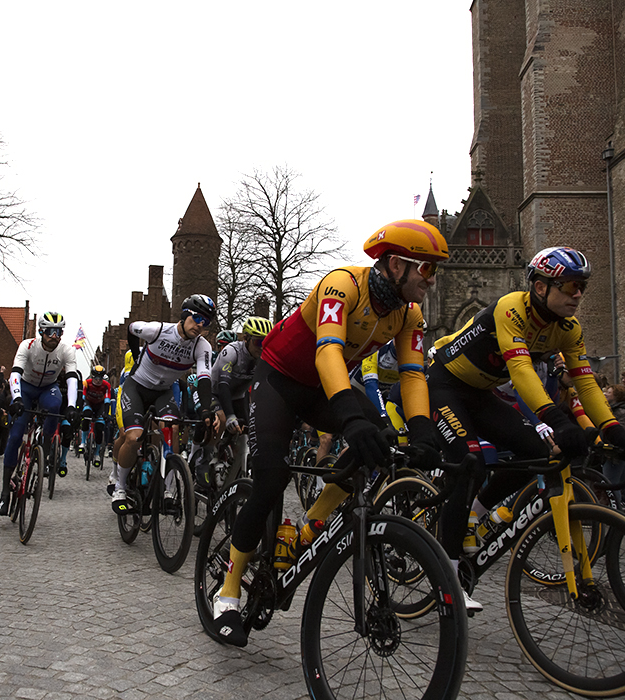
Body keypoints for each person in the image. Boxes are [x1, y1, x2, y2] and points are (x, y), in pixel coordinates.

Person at [211, 218, 448, 647]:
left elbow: (413, 376)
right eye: (427, 269)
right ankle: (228, 592)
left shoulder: (409, 314)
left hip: (325, 386)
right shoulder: (343, 286)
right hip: (280, 381)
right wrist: (350, 417)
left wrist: (422, 430)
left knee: (378, 443)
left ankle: (310, 527)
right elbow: (329, 351)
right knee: (270, 480)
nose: (432, 280)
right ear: (396, 265)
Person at [426, 246, 625, 609]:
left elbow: (587, 385)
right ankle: (447, 578)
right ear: (541, 287)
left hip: (482, 393)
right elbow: (520, 371)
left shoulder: (568, 329)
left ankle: (476, 514)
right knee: (469, 463)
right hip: (445, 384)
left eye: (583, 286)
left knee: (540, 452)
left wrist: (618, 436)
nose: (578, 294)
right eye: (570, 285)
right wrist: (558, 420)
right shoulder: (511, 308)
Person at [111, 294, 216, 513]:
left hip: (163, 392)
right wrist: (137, 353)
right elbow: (132, 328)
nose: (200, 325)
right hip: (137, 387)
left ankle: (168, 490)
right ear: (185, 314)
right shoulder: (157, 331)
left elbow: (204, 378)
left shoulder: (202, 347)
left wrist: (206, 410)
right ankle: (119, 487)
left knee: (172, 429)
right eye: (197, 319)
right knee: (133, 437)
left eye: (206, 323)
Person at [0, 312, 79, 515]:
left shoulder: (66, 350)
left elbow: (71, 378)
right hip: (25, 387)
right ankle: (5, 493)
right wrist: (16, 399)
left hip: (47, 388)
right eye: (50, 331)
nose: (55, 335)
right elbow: (15, 373)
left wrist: (72, 406)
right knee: (15, 437)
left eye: (59, 331)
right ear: (41, 331)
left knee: (54, 406)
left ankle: (46, 447)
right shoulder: (28, 346)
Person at [192, 317, 273, 490]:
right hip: (216, 391)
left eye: (266, 341)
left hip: (238, 396)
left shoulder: (264, 356)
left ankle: (234, 471)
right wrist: (229, 416)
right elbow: (223, 386)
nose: (262, 346)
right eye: (258, 341)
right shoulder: (232, 352)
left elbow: (265, 388)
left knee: (246, 433)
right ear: (246, 339)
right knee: (221, 419)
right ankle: (204, 460)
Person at [80, 365, 112, 467]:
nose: (98, 381)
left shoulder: (106, 385)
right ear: (92, 377)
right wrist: (79, 409)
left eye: (100, 378)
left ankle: (97, 453)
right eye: (96, 378)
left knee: (99, 427)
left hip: (100, 405)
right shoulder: (86, 383)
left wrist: (106, 414)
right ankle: (83, 442)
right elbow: (83, 397)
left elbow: (107, 400)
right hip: (89, 403)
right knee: (86, 415)